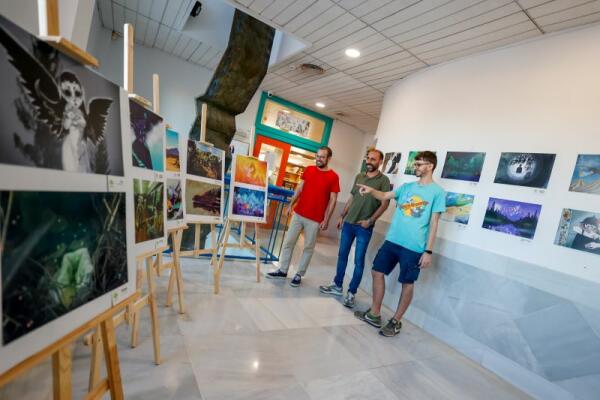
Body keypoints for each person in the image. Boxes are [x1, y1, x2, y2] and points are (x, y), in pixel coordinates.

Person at [354, 151, 446, 337]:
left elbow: (434, 223)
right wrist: (372, 191)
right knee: (377, 271)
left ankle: (395, 321)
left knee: (407, 282)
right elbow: (385, 195)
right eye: (416, 164)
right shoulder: (407, 187)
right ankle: (375, 313)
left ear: (430, 166)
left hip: (414, 247)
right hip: (393, 240)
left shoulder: (438, 192)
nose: (416, 167)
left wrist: (428, 251)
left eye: (419, 164)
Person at [319, 149, 390, 308]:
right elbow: (352, 197)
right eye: (368, 158)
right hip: (349, 223)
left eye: (373, 159)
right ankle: (337, 286)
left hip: (364, 227)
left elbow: (385, 204)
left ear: (380, 162)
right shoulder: (360, 176)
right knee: (342, 255)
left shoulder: (383, 180)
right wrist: (342, 215)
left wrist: (371, 221)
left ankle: (351, 293)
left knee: (358, 261)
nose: (369, 161)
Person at [266, 146, 340, 287]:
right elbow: (300, 187)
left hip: (315, 219)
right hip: (298, 214)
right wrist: (291, 205)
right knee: (288, 242)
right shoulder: (309, 170)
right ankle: (283, 270)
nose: (319, 159)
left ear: (329, 159)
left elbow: (333, 199)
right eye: (317, 156)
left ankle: (299, 274)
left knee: (308, 247)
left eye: (322, 157)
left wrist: (327, 219)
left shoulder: (333, 176)